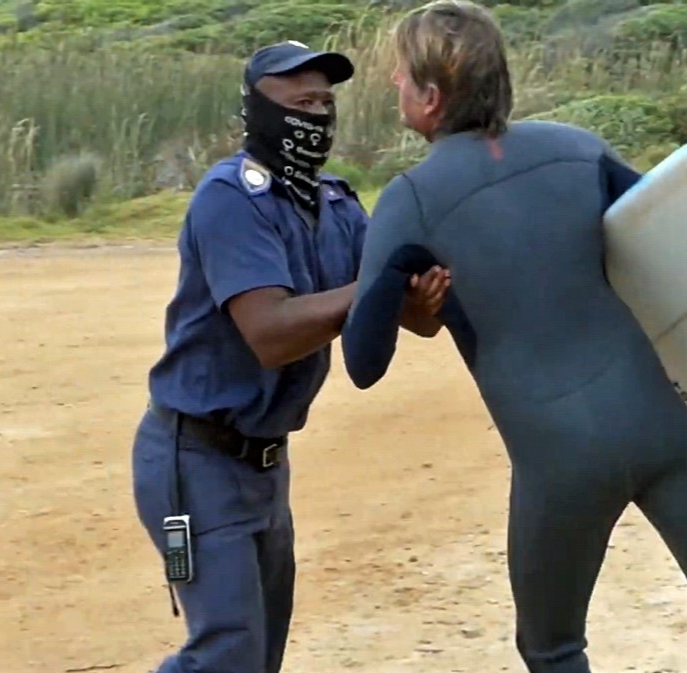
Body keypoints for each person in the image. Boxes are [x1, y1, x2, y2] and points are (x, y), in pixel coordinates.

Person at [339, 2, 687, 673]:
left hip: (558, 461)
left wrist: (405, 293)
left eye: (400, 72)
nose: (393, 81)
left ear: (432, 96)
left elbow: (363, 363)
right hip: (661, 427)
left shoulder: (409, 201)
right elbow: (685, 257)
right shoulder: (578, 147)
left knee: (554, 648)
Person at [130, 40, 449, 673]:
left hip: (264, 466)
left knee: (260, 653)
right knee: (227, 653)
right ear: (257, 109)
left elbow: (412, 317)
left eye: (325, 103)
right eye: (300, 103)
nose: (317, 115)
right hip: (196, 461)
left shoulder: (335, 204)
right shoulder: (231, 199)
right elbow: (270, 333)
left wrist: (422, 290)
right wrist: (377, 283)